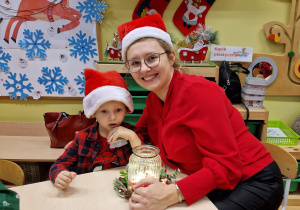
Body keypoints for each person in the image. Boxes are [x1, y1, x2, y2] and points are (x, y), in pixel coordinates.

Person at [117, 14, 284, 210]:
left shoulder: (199, 93)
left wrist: (174, 193)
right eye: (135, 63)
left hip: (252, 181)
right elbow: (140, 136)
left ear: (171, 57)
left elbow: (228, 167)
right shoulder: (154, 101)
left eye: (152, 58)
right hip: (207, 181)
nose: (144, 68)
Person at [49, 69, 144, 190]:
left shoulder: (133, 133)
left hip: (124, 189)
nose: (112, 117)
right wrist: (59, 175)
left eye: (118, 110)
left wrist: (133, 138)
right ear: (93, 113)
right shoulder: (83, 137)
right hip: (91, 190)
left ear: (126, 109)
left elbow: (146, 164)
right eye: (104, 111)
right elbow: (59, 164)